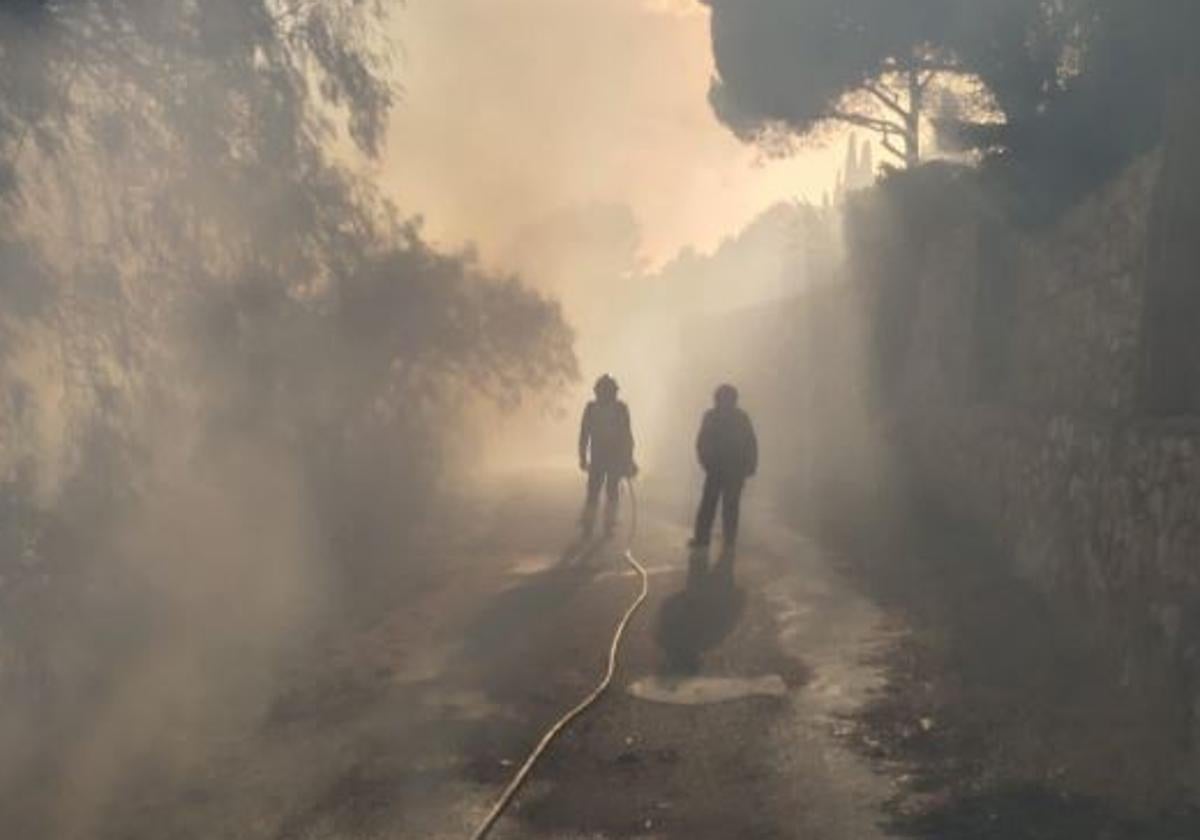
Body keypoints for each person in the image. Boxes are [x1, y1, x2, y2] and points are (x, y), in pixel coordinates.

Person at [690, 383, 758, 550]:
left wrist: (749, 465)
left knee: (723, 505)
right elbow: (702, 442)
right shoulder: (720, 417)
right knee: (716, 505)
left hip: (729, 469)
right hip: (721, 469)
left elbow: (750, 443)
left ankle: (714, 539)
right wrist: (706, 462)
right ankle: (713, 538)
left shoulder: (730, 417)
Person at [578, 374, 636, 537]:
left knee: (611, 491)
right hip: (599, 456)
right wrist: (582, 456)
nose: (607, 394)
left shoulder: (620, 409)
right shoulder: (591, 408)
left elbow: (626, 435)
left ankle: (607, 524)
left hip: (614, 457)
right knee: (594, 491)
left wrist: (629, 459)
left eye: (609, 391)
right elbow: (584, 434)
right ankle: (589, 524)